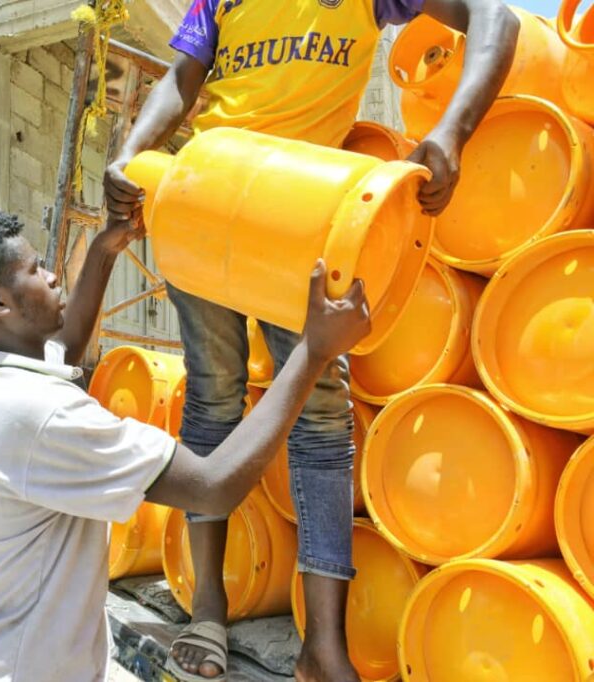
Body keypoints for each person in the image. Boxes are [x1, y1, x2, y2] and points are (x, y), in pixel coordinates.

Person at [102, 1, 519, 680]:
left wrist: (451, 130)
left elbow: (493, 17)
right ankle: (207, 609)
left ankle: (322, 648)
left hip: (303, 220)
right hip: (203, 201)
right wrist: (130, 153)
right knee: (212, 401)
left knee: (322, 415)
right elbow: (182, 77)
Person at [0, 208, 371, 681]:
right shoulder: (39, 413)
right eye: (34, 270)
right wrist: (312, 351)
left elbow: (66, 348)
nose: (51, 276)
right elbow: (211, 486)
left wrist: (104, 251)